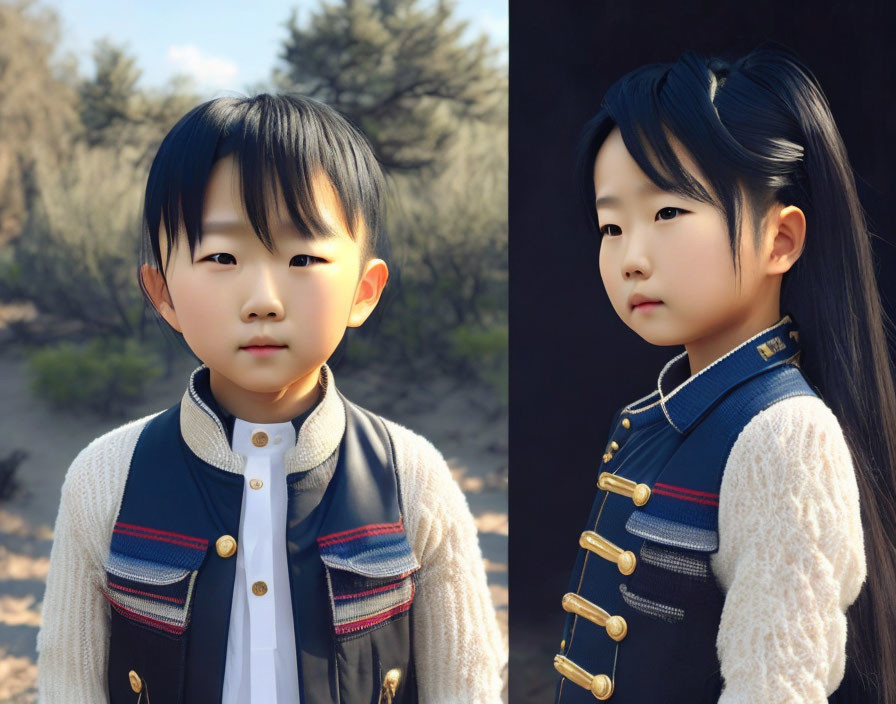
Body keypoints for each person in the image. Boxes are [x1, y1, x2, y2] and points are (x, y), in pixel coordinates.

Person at [35, 93, 505, 703]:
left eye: (303, 256)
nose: (263, 298)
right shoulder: (105, 477)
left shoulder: (413, 477)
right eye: (222, 256)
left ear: (365, 290)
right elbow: (68, 685)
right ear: (163, 292)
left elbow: (466, 688)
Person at [552, 45, 896, 703]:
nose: (631, 257)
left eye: (668, 213)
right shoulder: (652, 417)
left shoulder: (784, 438)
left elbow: (774, 689)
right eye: (611, 225)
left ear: (781, 240)